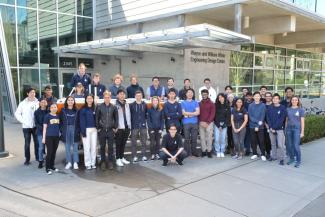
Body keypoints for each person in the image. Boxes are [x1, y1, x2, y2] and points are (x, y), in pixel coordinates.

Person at [15, 87, 40, 165]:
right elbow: (17, 113)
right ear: (27, 94)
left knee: (37, 143)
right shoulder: (22, 103)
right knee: (27, 144)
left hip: (35, 126)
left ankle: (38, 157)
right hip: (26, 127)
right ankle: (27, 159)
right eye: (31, 92)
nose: (33, 94)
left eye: (34, 92)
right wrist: (24, 122)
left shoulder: (38, 102)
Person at [95, 91, 118, 170]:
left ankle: (110, 162)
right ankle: (103, 162)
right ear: (103, 98)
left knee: (111, 147)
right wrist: (98, 128)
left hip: (111, 130)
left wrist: (115, 127)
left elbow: (116, 118)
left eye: (108, 97)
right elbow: (97, 118)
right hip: (102, 130)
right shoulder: (99, 106)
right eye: (105, 97)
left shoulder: (113, 107)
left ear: (110, 98)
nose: (107, 99)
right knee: (102, 147)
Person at [60, 96, 80, 170]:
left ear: (74, 102)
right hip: (66, 130)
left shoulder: (77, 110)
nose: (70, 101)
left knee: (75, 148)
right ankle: (69, 162)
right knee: (67, 148)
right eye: (69, 100)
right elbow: (60, 121)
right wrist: (62, 130)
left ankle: (75, 162)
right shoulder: (63, 110)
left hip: (75, 129)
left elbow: (79, 122)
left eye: (72, 100)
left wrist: (78, 130)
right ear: (66, 101)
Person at [266, 93, 287, 165]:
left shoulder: (282, 108)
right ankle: (274, 156)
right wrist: (271, 127)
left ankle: (282, 159)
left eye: (276, 99)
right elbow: (268, 118)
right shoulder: (269, 107)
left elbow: (281, 119)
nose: (275, 100)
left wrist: (274, 127)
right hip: (271, 129)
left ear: (279, 100)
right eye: (274, 98)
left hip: (279, 129)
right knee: (273, 144)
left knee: (280, 145)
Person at [79, 94, 97, 170]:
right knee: (87, 148)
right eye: (88, 98)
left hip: (94, 130)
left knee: (94, 147)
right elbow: (81, 121)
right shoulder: (83, 109)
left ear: (93, 99)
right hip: (86, 130)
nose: (90, 100)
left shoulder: (95, 108)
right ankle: (87, 163)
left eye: (91, 98)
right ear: (86, 100)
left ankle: (93, 163)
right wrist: (83, 132)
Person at [286, 96, 305, 168]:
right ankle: (291, 158)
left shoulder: (301, 110)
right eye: (293, 100)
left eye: (295, 100)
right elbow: (286, 120)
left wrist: (302, 132)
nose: (294, 101)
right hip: (288, 129)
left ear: (298, 101)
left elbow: (302, 122)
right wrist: (285, 129)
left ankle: (298, 160)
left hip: (297, 129)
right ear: (291, 101)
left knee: (296, 146)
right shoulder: (288, 109)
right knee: (289, 145)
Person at [130, 91, 148, 163]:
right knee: (134, 142)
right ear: (135, 96)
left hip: (143, 126)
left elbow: (146, 114)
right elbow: (130, 115)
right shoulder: (132, 105)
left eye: (140, 95)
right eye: (137, 95)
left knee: (143, 141)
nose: (138, 97)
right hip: (135, 126)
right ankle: (134, 156)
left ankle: (143, 155)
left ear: (142, 96)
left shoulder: (145, 104)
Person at [42, 103, 60, 175]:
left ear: (57, 108)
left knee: (54, 152)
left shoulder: (58, 116)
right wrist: (44, 138)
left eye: (55, 107)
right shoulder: (47, 116)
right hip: (49, 137)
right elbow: (44, 128)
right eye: (52, 107)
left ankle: (52, 166)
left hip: (56, 137)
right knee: (49, 152)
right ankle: (47, 168)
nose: (54, 108)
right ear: (50, 109)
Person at [248, 92, 267, 161]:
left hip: (260, 126)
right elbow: (250, 116)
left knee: (261, 141)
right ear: (253, 97)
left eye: (258, 96)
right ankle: (254, 153)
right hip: (252, 126)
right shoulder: (250, 105)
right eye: (255, 96)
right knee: (253, 141)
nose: (256, 97)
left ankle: (263, 154)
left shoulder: (263, 105)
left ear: (260, 97)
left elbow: (262, 116)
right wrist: (256, 123)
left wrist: (258, 125)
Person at [181, 89, 200, 157]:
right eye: (188, 92)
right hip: (186, 123)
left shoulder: (196, 102)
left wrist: (188, 115)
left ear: (193, 94)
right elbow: (183, 112)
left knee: (194, 139)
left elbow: (198, 112)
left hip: (194, 122)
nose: (190, 94)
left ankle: (194, 152)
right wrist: (193, 114)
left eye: (191, 93)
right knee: (186, 139)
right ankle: (186, 153)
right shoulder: (183, 102)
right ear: (186, 94)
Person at [115, 89, 131, 167]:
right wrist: (115, 127)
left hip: (127, 127)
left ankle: (122, 157)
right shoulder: (115, 104)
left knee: (123, 144)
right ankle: (117, 158)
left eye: (123, 94)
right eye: (120, 94)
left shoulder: (127, 104)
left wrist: (129, 125)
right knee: (118, 144)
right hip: (119, 128)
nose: (122, 95)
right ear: (117, 95)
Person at [199, 89, 215, 158]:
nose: (204, 95)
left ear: (208, 95)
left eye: (205, 94)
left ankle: (209, 151)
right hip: (201, 123)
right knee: (202, 138)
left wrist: (208, 122)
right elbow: (198, 113)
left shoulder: (211, 103)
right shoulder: (199, 103)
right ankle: (203, 151)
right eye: (203, 94)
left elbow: (212, 114)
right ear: (201, 95)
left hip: (209, 123)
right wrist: (200, 121)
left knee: (209, 138)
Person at [214, 93, 231, 158]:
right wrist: (219, 126)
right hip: (217, 124)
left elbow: (228, 117)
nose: (220, 98)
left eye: (222, 97)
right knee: (217, 139)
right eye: (219, 97)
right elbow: (215, 116)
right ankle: (218, 151)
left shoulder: (227, 106)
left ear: (224, 98)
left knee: (223, 138)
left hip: (224, 124)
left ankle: (222, 151)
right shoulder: (215, 105)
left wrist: (223, 125)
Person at [34, 98, 49, 169]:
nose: (43, 103)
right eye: (42, 102)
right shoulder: (36, 112)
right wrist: (43, 129)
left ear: (46, 103)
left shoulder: (49, 111)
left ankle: (49, 160)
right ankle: (40, 161)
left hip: (49, 132)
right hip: (40, 132)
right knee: (41, 147)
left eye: (44, 102)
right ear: (39, 103)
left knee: (49, 147)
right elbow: (36, 123)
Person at [244, 91, 253, 156]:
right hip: (245, 123)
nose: (249, 97)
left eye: (250, 96)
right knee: (246, 137)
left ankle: (253, 149)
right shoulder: (244, 104)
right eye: (248, 96)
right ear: (246, 97)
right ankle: (247, 150)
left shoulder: (253, 103)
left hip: (252, 122)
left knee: (252, 137)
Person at [264, 92, 273, 159]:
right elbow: (262, 116)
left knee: (272, 140)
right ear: (265, 97)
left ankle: (273, 152)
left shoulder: (274, 105)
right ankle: (268, 153)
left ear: (271, 97)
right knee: (266, 140)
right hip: (265, 126)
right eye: (266, 96)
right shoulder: (263, 105)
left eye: (269, 96)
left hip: (273, 126)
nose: (268, 97)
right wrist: (266, 124)